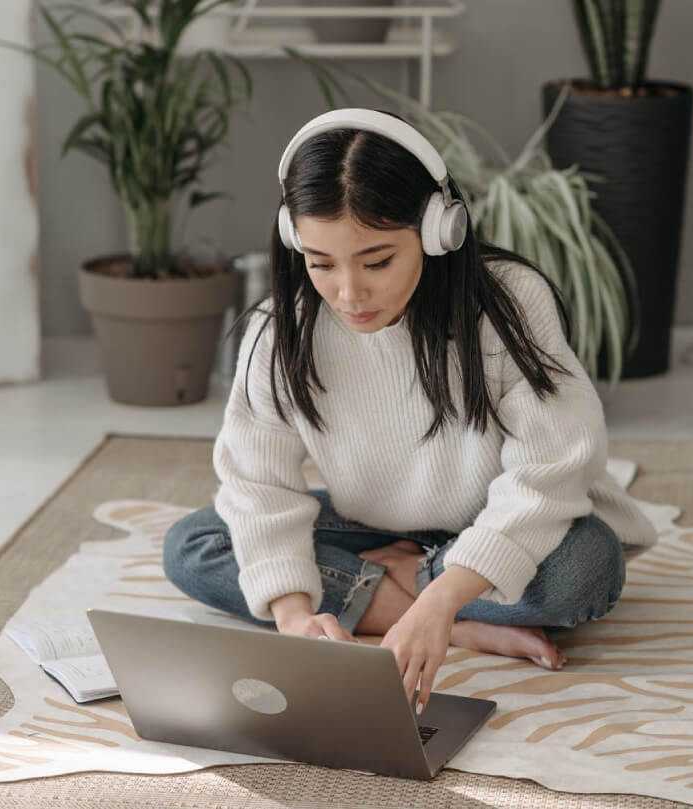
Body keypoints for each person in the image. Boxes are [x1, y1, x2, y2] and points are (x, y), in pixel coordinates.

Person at [163, 107, 658, 718]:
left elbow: (554, 468)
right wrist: (294, 619)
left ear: (437, 231)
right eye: (321, 263)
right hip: (373, 525)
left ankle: (423, 597)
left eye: (376, 261)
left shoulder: (509, 304)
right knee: (195, 544)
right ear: (295, 242)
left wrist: (446, 593)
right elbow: (256, 485)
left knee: (585, 569)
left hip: (499, 516)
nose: (349, 293)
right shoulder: (279, 330)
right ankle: (448, 618)